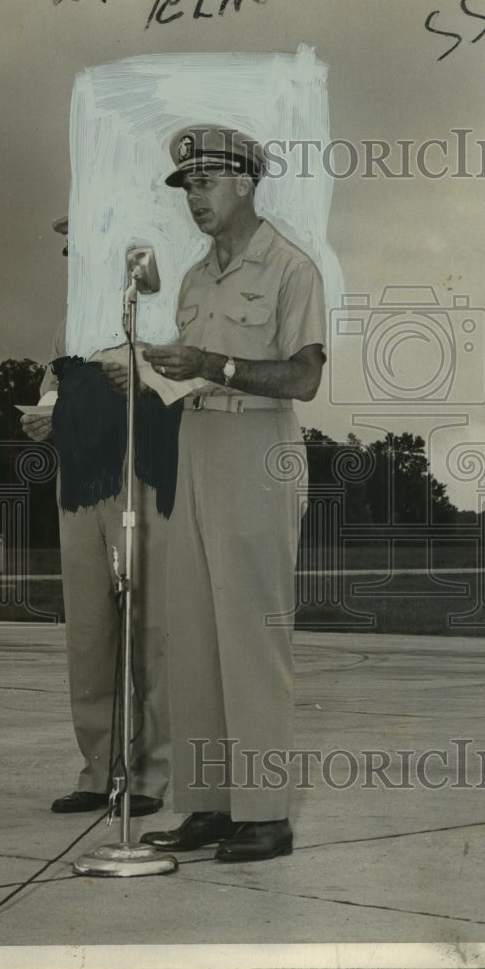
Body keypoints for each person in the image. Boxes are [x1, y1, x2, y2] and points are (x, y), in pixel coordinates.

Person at [139, 125, 326, 861]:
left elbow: (303, 379)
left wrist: (210, 362)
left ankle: (266, 814)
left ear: (246, 181)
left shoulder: (290, 267)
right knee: (194, 635)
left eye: (206, 181)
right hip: (196, 445)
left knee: (251, 634)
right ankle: (210, 804)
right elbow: (190, 373)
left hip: (257, 447)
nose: (194, 197)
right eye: (186, 185)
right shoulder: (192, 277)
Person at [21, 217, 178, 817]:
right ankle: (98, 770)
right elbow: (52, 386)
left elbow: (179, 385)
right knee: (88, 633)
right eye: (67, 244)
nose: (71, 251)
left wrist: (140, 381)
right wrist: (43, 412)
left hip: (141, 477)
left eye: (81, 241)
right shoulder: (68, 322)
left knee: (150, 629)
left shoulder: (154, 309)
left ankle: (151, 774)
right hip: (78, 485)